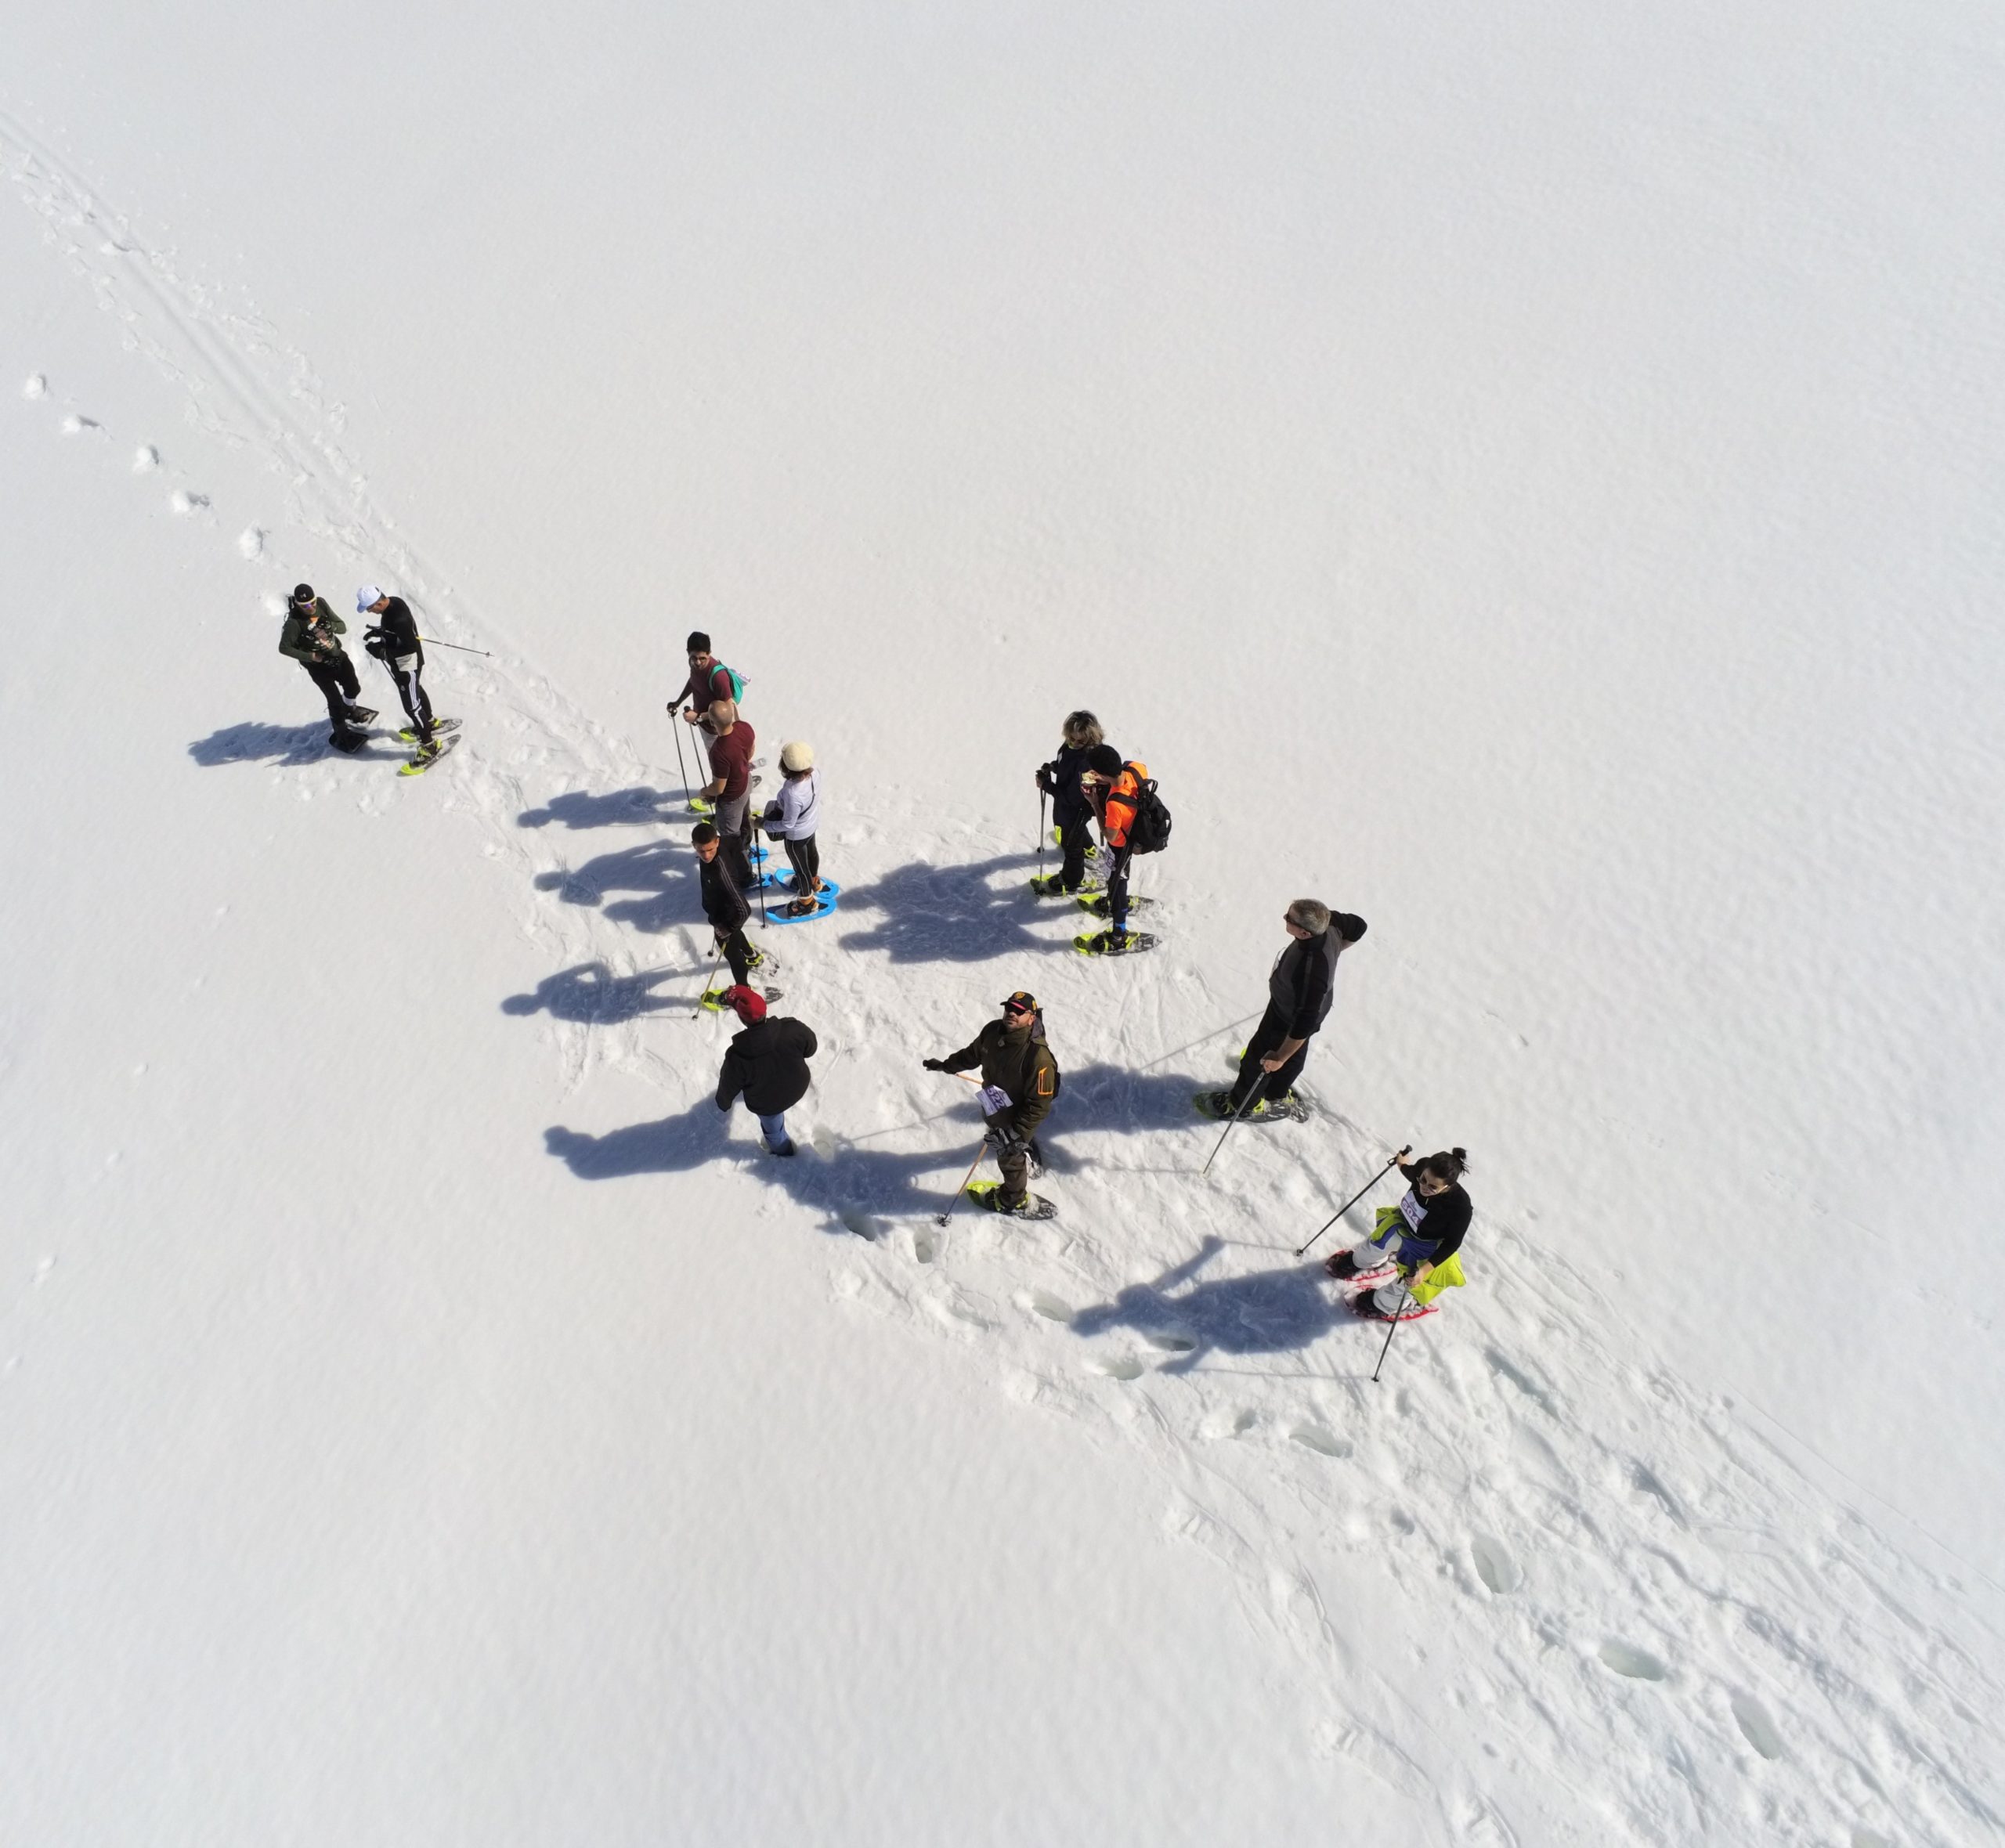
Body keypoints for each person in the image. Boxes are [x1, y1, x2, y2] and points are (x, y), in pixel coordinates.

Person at [1202, 901, 1368, 1120]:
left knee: (1259, 1061)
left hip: (1289, 1018)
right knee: (1295, 1053)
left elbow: (1303, 1024)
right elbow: (1359, 926)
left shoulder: (1311, 969)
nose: (1284, 917)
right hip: (1292, 1007)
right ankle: (1276, 1092)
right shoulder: (1331, 923)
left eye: (1289, 918)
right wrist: (1336, 950)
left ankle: (1239, 1106)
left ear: (1304, 932)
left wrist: (1279, 1057)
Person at [923, 991, 1060, 1216]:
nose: (1011, 1014)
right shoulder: (992, 1031)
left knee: (1008, 1155)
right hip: (994, 1101)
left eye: (1019, 1011)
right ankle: (1020, 1143)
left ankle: (1013, 1200)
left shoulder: (1038, 1057)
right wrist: (946, 1066)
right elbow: (972, 1054)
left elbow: (1039, 1105)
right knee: (998, 1128)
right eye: (1009, 1008)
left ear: (1032, 1018)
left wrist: (1015, 1135)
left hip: (1017, 1114)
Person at [1327, 1149, 1472, 1319]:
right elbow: (1411, 1173)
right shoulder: (1423, 1167)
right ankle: (1359, 1261)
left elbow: (1452, 1244)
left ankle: (1382, 1305)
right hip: (1404, 1223)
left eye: (1433, 1187)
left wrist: (1424, 1271)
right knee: (1378, 1241)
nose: (1424, 1187)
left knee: (1408, 1281)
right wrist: (1401, 1163)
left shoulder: (1460, 1207)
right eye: (1423, 1180)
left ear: (1447, 1186)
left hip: (1426, 1246)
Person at [714, 986, 818, 1157]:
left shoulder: (738, 1056)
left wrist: (723, 1102)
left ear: (742, 1019)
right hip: (798, 1085)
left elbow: (728, 1085)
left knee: (774, 1131)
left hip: (768, 1105)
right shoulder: (793, 1029)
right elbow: (811, 1048)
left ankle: (784, 1153)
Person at [277, 583, 374, 749]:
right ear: (298, 605)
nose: (311, 607)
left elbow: (342, 627)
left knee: (353, 688)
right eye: (305, 605)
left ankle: (349, 710)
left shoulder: (321, 604)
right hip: (319, 668)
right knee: (334, 701)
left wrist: (330, 625)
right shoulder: (294, 623)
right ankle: (341, 734)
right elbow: (284, 648)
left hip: (338, 656)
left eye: (312, 602)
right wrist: (311, 657)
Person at [1078, 745, 1146, 952]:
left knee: (1118, 883)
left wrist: (1095, 803)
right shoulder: (1136, 769)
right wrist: (1105, 779)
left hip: (1121, 847)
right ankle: (1113, 900)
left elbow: (1110, 835)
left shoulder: (1114, 805)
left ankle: (1119, 934)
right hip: (1134, 835)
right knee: (1114, 879)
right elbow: (1125, 777)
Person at [356, 584, 436, 758]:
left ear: (378, 603)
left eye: (369, 608)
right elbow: (396, 632)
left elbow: (410, 647)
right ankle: (429, 722)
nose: (369, 612)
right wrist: (380, 633)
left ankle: (429, 746)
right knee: (416, 692)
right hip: (402, 664)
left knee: (412, 707)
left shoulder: (400, 620)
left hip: (408, 665)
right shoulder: (395, 602)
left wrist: (382, 652)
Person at [1031, 710, 1103, 897]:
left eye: (1081, 742)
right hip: (1065, 804)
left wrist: (1047, 786)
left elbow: (1073, 797)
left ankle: (1072, 880)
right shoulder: (1068, 747)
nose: (1075, 744)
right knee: (1072, 830)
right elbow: (1064, 761)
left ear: (1091, 739)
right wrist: (1053, 767)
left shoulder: (1088, 763)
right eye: (1071, 739)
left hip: (1077, 807)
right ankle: (1089, 848)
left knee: (1072, 844)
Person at [696, 698, 758, 889]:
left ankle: (745, 876)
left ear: (713, 723)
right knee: (745, 819)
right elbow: (751, 751)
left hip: (730, 798)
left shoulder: (719, 751)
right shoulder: (745, 728)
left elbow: (719, 788)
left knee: (730, 838)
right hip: (745, 783)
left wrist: (705, 791)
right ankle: (747, 848)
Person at [692, 821, 757, 990]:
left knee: (733, 956)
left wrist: (727, 927)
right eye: (701, 850)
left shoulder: (721, 872)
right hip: (720, 913)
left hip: (725, 918)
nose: (706, 856)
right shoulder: (712, 853)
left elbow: (744, 910)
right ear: (694, 846)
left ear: (717, 842)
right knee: (736, 936)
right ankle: (752, 955)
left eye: (710, 850)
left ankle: (743, 991)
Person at [761, 741, 824, 915]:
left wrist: (764, 824)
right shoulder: (815, 773)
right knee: (811, 852)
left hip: (795, 835)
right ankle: (813, 881)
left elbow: (788, 823)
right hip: (811, 824)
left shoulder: (793, 793)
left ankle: (807, 902)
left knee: (800, 868)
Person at [671, 633, 742, 729]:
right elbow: (693, 682)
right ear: (688, 652)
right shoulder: (694, 665)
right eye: (694, 658)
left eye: (702, 658)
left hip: (717, 732)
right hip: (703, 724)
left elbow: (728, 709)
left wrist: (698, 717)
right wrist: (678, 702)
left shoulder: (719, 677)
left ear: (709, 653)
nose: (698, 663)